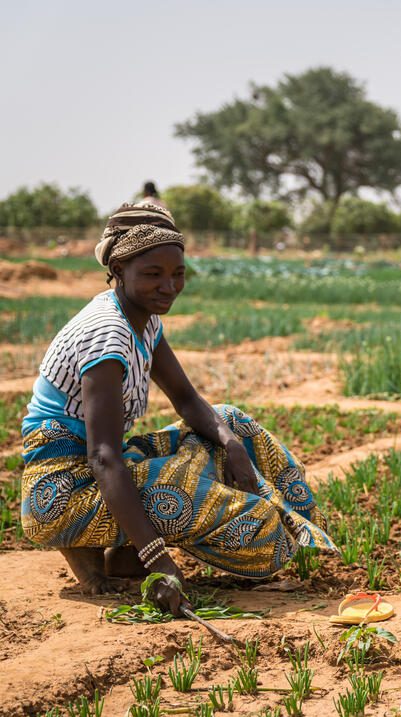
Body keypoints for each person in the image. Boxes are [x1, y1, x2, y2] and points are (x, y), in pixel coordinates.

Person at [20, 203, 335, 615]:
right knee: (247, 530)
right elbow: (102, 458)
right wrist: (160, 562)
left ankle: (123, 549)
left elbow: (186, 399)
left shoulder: (143, 318)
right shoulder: (107, 337)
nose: (168, 286)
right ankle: (90, 542)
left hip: (99, 469)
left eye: (177, 274)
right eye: (153, 274)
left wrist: (231, 444)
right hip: (60, 492)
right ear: (118, 268)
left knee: (231, 422)